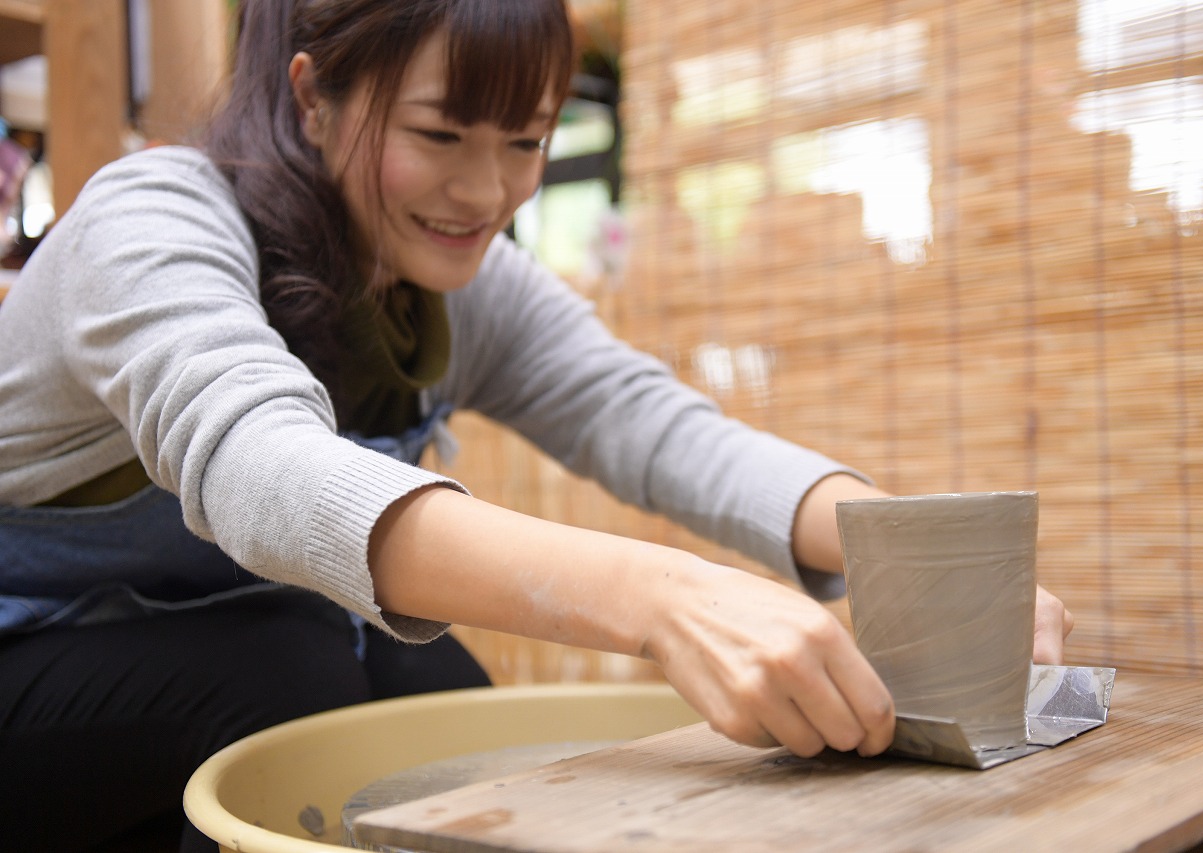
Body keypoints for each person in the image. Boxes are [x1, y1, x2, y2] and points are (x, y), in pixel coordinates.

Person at [0, 0, 1073, 849]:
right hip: (34, 666)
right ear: (314, 96)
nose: (485, 189)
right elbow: (260, 469)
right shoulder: (151, 221)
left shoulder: (463, 287)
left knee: (453, 708)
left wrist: (919, 553)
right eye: (437, 134)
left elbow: (650, 425)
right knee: (286, 673)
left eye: (524, 142)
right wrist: (661, 597)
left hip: (213, 649)